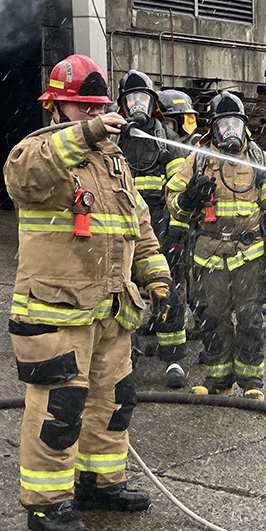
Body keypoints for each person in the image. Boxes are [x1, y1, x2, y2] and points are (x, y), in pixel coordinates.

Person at [3, 54, 180, 531]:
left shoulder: (113, 163)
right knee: (60, 407)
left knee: (113, 400)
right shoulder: (37, 153)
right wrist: (87, 133)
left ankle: (100, 483)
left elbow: (139, 227)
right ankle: (46, 504)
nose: (95, 115)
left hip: (111, 310)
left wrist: (158, 279)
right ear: (56, 108)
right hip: (56, 311)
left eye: (98, 107)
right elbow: (20, 178)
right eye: (83, 108)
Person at [164, 91, 266, 400]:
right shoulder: (199, 159)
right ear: (214, 129)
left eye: (235, 123)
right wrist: (190, 196)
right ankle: (219, 381)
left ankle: (251, 384)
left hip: (250, 256)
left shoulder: (258, 159)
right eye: (224, 125)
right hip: (208, 256)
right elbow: (173, 203)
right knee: (212, 318)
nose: (229, 130)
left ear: (243, 126)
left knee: (250, 319)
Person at [114, 70, 187, 388]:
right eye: (132, 99)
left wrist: (176, 233)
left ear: (152, 103)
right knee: (122, 295)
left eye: (142, 98)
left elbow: (177, 191)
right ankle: (126, 354)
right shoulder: (112, 141)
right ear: (123, 105)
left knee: (167, 295)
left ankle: (173, 359)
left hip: (160, 234)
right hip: (122, 234)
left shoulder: (167, 142)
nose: (137, 105)